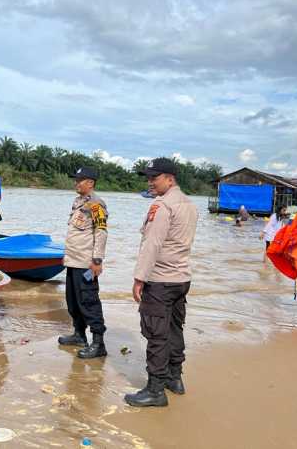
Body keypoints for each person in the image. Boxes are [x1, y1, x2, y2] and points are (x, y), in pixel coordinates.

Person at [124, 157, 198, 408]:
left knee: (156, 334)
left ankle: (155, 390)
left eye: (154, 177)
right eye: (148, 177)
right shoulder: (189, 204)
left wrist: (139, 278)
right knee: (175, 328)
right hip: (181, 278)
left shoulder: (162, 206)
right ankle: (174, 378)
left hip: (161, 280)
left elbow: (152, 244)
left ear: (170, 178)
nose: (150, 182)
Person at [58, 166, 109, 359]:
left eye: (80, 180)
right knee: (72, 302)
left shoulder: (96, 205)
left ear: (91, 183)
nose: (76, 183)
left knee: (89, 302)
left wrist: (97, 260)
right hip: (73, 261)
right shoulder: (78, 201)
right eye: (76, 180)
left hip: (86, 263)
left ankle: (98, 343)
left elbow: (101, 232)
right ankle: (79, 334)